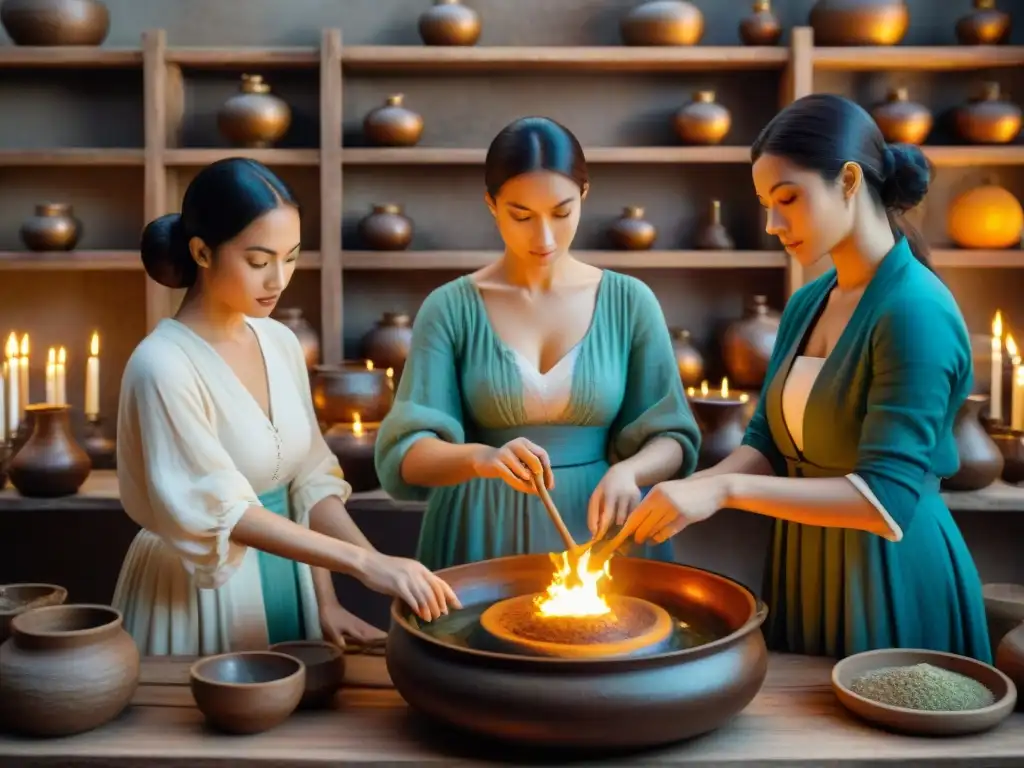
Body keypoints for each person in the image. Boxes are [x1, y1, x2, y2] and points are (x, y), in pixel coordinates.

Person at [617, 94, 991, 662]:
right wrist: (693, 490)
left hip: (888, 574)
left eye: (787, 199)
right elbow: (765, 444)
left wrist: (722, 489)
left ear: (846, 180)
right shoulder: (809, 301)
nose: (772, 224)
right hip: (805, 564)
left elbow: (884, 502)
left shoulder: (915, 310)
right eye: (767, 203)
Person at [112, 158, 459, 656]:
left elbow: (309, 481)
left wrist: (328, 596)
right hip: (200, 590)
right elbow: (226, 514)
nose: (278, 278)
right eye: (258, 261)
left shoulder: (280, 342)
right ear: (202, 252)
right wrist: (365, 565)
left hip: (289, 581)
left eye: (291, 257)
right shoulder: (162, 365)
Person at [374, 117, 701, 570]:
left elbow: (674, 437)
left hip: (605, 531)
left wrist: (630, 471)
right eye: (521, 216)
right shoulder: (450, 307)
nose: (544, 237)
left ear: (584, 196)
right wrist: (482, 459)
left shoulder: (630, 302)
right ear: (491, 204)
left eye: (562, 212)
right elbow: (405, 456)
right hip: (480, 527)